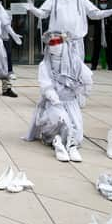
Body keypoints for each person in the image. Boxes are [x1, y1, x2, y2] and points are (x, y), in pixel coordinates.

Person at [25, 31, 92, 162]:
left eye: (57, 42)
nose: (54, 46)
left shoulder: (75, 62)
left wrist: (84, 91)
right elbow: (46, 86)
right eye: (51, 43)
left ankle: (66, 143)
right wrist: (55, 100)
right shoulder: (44, 65)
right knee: (61, 120)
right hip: (54, 104)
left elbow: (87, 78)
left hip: (71, 102)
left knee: (77, 135)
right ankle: (60, 143)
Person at [90, 0, 112, 70]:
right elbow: (91, 21)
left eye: (105, 2)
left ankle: (110, 65)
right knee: (96, 50)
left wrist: (108, 21)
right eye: (101, 2)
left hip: (107, 34)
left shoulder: (110, 12)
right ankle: (94, 65)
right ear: (99, 3)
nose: (103, 4)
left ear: (107, 3)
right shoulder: (96, 12)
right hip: (98, 34)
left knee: (109, 50)